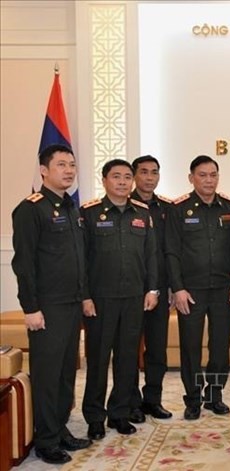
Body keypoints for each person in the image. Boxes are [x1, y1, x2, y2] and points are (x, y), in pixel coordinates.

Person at [11, 144, 92, 464]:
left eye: (72, 164)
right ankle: (45, 441)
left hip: (72, 304)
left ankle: (59, 429)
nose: (69, 170)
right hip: (46, 307)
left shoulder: (72, 208)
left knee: (65, 374)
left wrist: (84, 296)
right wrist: (30, 308)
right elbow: (24, 264)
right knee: (46, 375)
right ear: (44, 170)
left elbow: (79, 260)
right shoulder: (31, 209)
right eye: (61, 165)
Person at [81, 159, 159, 440]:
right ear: (105, 180)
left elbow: (151, 254)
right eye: (117, 177)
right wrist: (85, 296)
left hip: (134, 297)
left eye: (127, 177)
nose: (123, 182)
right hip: (101, 299)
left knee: (127, 359)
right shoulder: (89, 213)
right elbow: (82, 260)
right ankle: (94, 416)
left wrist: (153, 290)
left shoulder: (142, 212)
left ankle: (120, 413)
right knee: (99, 360)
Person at [165, 155, 230, 420]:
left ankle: (214, 396)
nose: (209, 180)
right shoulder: (179, 208)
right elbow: (171, 252)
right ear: (191, 178)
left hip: (222, 289)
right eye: (203, 175)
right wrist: (178, 288)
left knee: (220, 346)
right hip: (191, 291)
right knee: (191, 348)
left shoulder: (229, 207)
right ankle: (193, 399)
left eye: (213, 175)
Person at [128, 155, 173, 422]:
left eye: (154, 172)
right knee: (129, 350)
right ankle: (131, 401)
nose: (149, 177)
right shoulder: (123, 205)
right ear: (135, 175)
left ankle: (152, 400)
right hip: (130, 290)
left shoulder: (168, 208)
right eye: (143, 172)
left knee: (157, 349)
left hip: (159, 289)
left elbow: (172, 250)